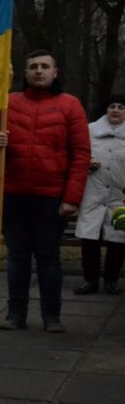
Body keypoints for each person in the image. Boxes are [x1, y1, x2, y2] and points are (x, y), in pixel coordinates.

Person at [0, 50, 91, 332]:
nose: (39, 71)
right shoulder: (8, 104)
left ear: (55, 72)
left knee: (49, 259)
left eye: (45, 66)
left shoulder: (70, 106)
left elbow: (81, 154)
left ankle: (52, 316)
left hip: (52, 198)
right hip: (14, 194)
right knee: (17, 258)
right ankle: (15, 314)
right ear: (25, 72)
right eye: (33, 66)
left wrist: (72, 198)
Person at [74, 94, 125, 295]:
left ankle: (111, 280)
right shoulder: (90, 130)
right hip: (93, 192)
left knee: (118, 238)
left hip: (119, 195)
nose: (116, 110)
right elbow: (79, 154)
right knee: (89, 238)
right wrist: (87, 162)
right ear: (106, 110)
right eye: (112, 106)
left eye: (121, 107)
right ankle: (90, 281)